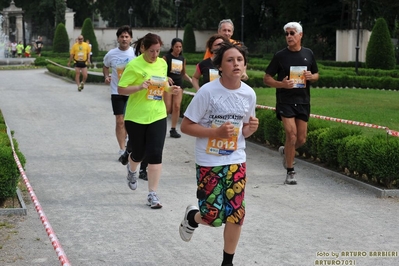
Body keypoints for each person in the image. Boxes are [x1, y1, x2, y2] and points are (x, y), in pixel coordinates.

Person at [178, 41, 259, 266]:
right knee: (211, 216)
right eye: (230, 60)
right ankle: (191, 216)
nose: (236, 64)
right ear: (220, 67)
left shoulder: (249, 94)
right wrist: (215, 132)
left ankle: (227, 262)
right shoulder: (207, 92)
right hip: (209, 160)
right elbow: (186, 126)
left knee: (236, 214)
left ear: (244, 65)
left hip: (236, 159)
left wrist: (250, 129)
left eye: (240, 60)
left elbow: (244, 130)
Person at [117, 33, 181, 209]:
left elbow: (162, 85)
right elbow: (121, 89)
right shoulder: (134, 65)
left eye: (158, 51)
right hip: (136, 116)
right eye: (152, 51)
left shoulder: (162, 63)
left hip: (157, 115)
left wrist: (171, 89)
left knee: (155, 153)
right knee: (139, 153)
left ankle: (152, 194)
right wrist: (139, 86)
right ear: (143, 48)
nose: (155, 55)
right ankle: (132, 169)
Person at [263, 22, 319, 185]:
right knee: (291, 135)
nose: (288, 36)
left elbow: (316, 75)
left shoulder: (308, 53)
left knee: (301, 139)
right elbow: (266, 78)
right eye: (286, 33)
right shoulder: (280, 56)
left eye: (292, 33)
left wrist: (311, 77)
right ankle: (290, 171)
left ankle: (286, 152)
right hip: (285, 101)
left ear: (300, 35)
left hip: (303, 100)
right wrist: (282, 84)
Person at [103, 25, 136, 161]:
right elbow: (105, 66)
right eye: (122, 36)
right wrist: (106, 76)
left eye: (126, 36)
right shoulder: (111, 54)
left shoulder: (135, 53)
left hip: (132, 91)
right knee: (120, 121)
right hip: (116, 91)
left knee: (129, 121)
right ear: (118, 38)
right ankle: (122, 149)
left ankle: (128, 140)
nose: (124, 39)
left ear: (130, 38)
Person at [162, 38, 192, 138]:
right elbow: (160, 71)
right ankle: (159, 127)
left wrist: (191, 80)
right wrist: (166, 77)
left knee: (177, 106)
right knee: (167, 107)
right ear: (172, 47)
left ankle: (173, 129)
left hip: (179, 85)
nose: (178, 49)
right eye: (176, 47)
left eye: (180, 47)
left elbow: (183, 74)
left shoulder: (182, 59)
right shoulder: (166, 57)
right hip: (168, 85)